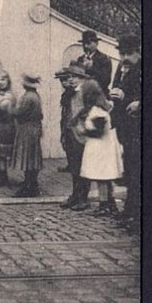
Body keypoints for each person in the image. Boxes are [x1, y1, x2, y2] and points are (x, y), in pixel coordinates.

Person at [78, 78, 123, 215]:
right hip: (104, 146)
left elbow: (98, 131)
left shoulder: (98, 110)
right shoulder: (103, 107)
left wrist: (83, 130)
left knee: (101, 177)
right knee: (105, 177)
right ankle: (111, 204)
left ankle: (104, 205)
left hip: (100, 147)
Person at [110, 34, 141, 229]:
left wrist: (137, 101)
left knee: (138, 172)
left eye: (129, 53)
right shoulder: (121, 68)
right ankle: (129, 211)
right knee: (130, 171)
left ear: (138, 52)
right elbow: (115, 87)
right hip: (125, 128)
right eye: (122, 53)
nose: (124, 58)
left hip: (138, 127)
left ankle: (138, 218)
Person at [59, 64, 92, 210]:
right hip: (69, 133)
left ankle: (83, 198)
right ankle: (75, 195)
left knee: (82, 166)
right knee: (73, 166)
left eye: (76, 77)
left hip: (81, 134)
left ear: (83, 78)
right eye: (70, 77)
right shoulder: (69, 93)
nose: (72, 80)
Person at [9, 73, 44, 197]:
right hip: (33, 127)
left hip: (28, 129)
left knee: (28, 157)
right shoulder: (34, 95)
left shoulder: (28, 97)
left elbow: (20, 112)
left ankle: (29, 185)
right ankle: (31, 183)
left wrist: (10, 108)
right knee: (32, 156)